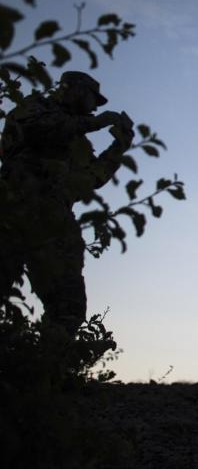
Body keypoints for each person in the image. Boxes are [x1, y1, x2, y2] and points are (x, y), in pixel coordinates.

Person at [0, 71, 133, 337]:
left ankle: (45, 370)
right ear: (74, 89)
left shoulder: (78, 143)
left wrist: (119, 147)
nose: (95, 107)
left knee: (68, 306)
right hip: (11, 213)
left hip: (54, 225)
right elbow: (37, 130)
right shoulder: (34, 107)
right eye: (92, 98)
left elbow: (90, 180)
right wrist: (94, 124)